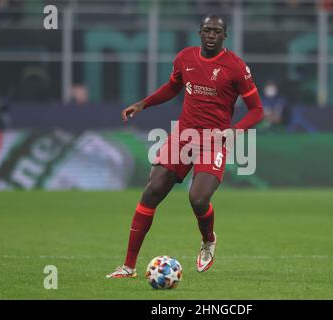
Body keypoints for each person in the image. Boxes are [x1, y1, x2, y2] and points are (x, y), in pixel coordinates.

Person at [106, 14, 264, 278]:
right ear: (199, 33)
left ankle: (208, 240)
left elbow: (257, 110)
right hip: (183, 136)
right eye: (207, 30)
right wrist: (143, 104)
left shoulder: (236, 67)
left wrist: (233, 132)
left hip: (213, 140)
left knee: (198, 199)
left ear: (225, 35)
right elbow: (172, 87)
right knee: (152, 190)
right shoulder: (185, 58)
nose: (211, 35)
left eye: (217, 31)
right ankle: (128, 267)